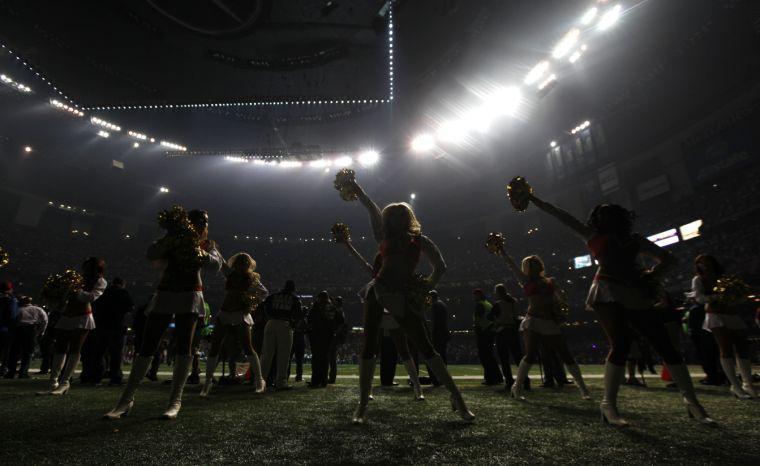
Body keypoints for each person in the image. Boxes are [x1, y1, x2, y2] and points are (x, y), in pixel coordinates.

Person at [527, 197, 714, 425]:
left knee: (664, 344)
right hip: (606, 291)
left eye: (608, 213)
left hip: (634, 292)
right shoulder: (594, 237)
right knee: (621, 343)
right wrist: (534, 198)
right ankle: (609, 405)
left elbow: (669, 259)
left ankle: (692, 402)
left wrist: (650, 277)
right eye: (602, 214)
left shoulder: (634, 240)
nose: (605, 216)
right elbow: (562, 215)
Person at [345, 177, 473, 423]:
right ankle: (361, 405)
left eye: (396, 216)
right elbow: (371, 207)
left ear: (406, 219)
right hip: (378, 290)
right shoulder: (382, 237)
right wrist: (358, 189)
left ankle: (457, 398)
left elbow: (441, 267)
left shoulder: (420, 240)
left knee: (426, 348)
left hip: (403, 295)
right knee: (369, 345)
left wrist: (424, 289)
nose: (391, 220)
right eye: (389, 216)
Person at [104, 209, 222, 420]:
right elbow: (151, 253)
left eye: (203, 223)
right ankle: (126, 399)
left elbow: (216, 265)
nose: (200, 226)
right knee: (147, 346)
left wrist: (199, 251)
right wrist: (172, 240)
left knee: (185, 347)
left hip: (191, 294)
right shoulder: (171, 239)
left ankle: (175, 400)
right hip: (165, 292)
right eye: (196, 222)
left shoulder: (206, 245)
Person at [338, 230, 424, 400]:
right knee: (370, 349)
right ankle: (367, 390)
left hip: (392, 308)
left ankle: (418, 387)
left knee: (403, 349)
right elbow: (360, 261)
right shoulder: (375, 275)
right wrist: (347, 244)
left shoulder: (399, 272)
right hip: (377, 307)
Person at [497, 250, 590, 401]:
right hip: (533, 320)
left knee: (565, 354)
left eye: (535, 263)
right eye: (530, 264)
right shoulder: (525, 280)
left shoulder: (550, 281)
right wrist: (503, 253)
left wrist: (561, 304)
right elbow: (512, 266)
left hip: (549, 321)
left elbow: (562, 298)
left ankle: (583, 388)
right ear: (526, 268)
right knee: (530, 354)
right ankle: (517, 386)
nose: (534, 266)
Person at [200, 252, 268, 397]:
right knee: (214, 348)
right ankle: (207, 383)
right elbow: (222, 262)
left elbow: (264, 293)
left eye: (244, 263)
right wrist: (213, 249)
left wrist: (250, 301)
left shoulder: (252, 278)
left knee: (248, 348)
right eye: (239, 263)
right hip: (225, 312)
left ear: (247, 265)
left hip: (239, 314)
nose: (241, 265)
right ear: (236, 264)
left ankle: (259, 380)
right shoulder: (230, 274)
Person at [37, 257, 107, 396]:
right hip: (66, 316)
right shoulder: (77, 279)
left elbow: (90, 297)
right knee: (60, 349)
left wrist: (74, 289)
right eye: (85, 266)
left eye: (89, 267)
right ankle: (53, 382)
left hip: (83, 317)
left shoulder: (101, 281)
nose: (85, 269)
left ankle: (65, 383)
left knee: (75, 349)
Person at [690, 254, 756, 399]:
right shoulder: (698, 279)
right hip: (714, 315)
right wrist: (716, 297)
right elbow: (699, 298)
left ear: (713, 262)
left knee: (742, 348)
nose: (704, 264)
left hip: (731, 314)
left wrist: (735, 298)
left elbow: (738, 296)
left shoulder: (725, 278)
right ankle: (736, 386)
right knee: (725, 348)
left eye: (706, 261)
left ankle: (748, 385)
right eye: (700, 263)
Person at [259, 280, 302, 390]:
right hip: (284, 324)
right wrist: (293, 324)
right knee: (283, 355)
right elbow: (298, 314)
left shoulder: (274, 296)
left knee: (266, 354)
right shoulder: (294, 299)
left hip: (271, 322)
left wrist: (269, 317)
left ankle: (260, 380)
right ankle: (281, 382)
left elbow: (264, 306)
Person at [91, 277, 134, 385]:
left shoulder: (105, 292)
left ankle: (97, 376)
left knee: (99, 353)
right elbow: (130, 307)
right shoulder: (123, 293)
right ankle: (115, 377)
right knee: (116, 354)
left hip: (102, 326)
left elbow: (95, 306)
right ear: (122, 284)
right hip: (116, 326)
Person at [489, 284, 527, 391]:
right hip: (513, 331)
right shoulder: (513, 301)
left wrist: (497, 322)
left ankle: (509, 381)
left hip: (502, 331)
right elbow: (517, 316)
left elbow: (490, 317)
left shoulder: (498, 304)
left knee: (504, 359)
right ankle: (525, 381)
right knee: (518, 357)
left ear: (498, 293)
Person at [4, 296, 47, 378]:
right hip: (31, 330)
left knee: (15, 352)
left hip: (18, 330)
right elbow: (45, 320)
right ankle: (23, 372)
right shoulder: (37, 309)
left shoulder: (18, 309)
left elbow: (12, 320)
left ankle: (11, 372)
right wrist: (41, 331)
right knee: (28, 352)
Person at [307, 291, 342, 388]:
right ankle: (323, 381)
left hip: (316, 335)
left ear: (319, 298)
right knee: (325, 358)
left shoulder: (316, 306)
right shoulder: (331, 307)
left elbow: (309, 318)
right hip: (328, 335)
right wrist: (333, 329)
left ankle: (315, 381)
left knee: (316, 358)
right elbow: (340, 319)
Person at [472, 289, 503, 385]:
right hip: (490, 331)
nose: (474, 297)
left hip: (483, 332)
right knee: (490, 356)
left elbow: (478, 320)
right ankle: (497, 377)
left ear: (478, 295)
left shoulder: (480, 305)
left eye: (475, 295)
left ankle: (490, 378)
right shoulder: (488, 304)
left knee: (484, 356)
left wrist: (476, 329)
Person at [428, 290, 450, 386]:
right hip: (443, 333)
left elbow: (435, 322)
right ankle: (444, 377)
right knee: (443, 356)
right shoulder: (443, 305)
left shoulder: (435, 305)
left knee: (434, 356)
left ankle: (436, 378)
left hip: (437, 334)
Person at [328, 296, 348, 384]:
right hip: (335, 335)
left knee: (331, 358)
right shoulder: (339, 310)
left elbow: (341, 324)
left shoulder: (338, 310)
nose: (333, 302)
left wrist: (336, 333)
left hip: (334, 336)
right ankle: (331, 377)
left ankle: (332, 378)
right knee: (331, 357)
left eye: (335, 301)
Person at [0, 281, 18, 377]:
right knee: (6, 351)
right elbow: (12, 314)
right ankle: (3, 369)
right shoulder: (11, 300)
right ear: (10, 289)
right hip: (6, 329)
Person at [289, 313, 307, 382]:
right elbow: (306, 329)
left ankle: (286, 375)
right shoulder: (303, 321)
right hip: (300, 340)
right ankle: (299, 376)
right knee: (299, 360)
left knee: (289, 359)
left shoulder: (292, 319)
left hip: (292, 339)